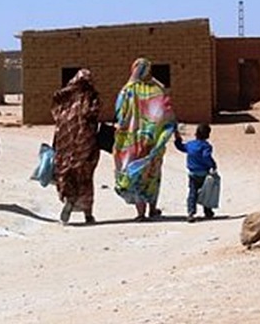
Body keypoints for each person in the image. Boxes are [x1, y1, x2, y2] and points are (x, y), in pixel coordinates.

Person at [113, 57, 177, 221]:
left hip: (132, 142)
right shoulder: (157, 90)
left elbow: (120, 112)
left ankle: (140, 213)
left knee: (135, 173)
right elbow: (167, 112)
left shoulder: (127, 90)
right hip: (152, 142)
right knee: (152, 174)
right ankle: (152, 209)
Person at [51, 68, 102, 225]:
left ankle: (69, 199)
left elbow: (55, 111)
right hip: (86, 143)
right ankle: (88, 214)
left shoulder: (64, 96)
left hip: (65, 142)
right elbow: (93, 114)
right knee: (85, 177)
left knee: (68, 173)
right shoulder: (92, 96)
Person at [174, 123, 217, 222]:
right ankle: (208, 211)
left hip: (193, 173)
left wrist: (177, 137)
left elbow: (180, 147)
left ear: (196, 134)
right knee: (206, 192)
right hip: (204, 173)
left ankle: (191, 213)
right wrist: (212, 165)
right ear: (208, 135)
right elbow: (206, 157)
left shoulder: (190, 145)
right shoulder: (206, 146)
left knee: (192, 193)